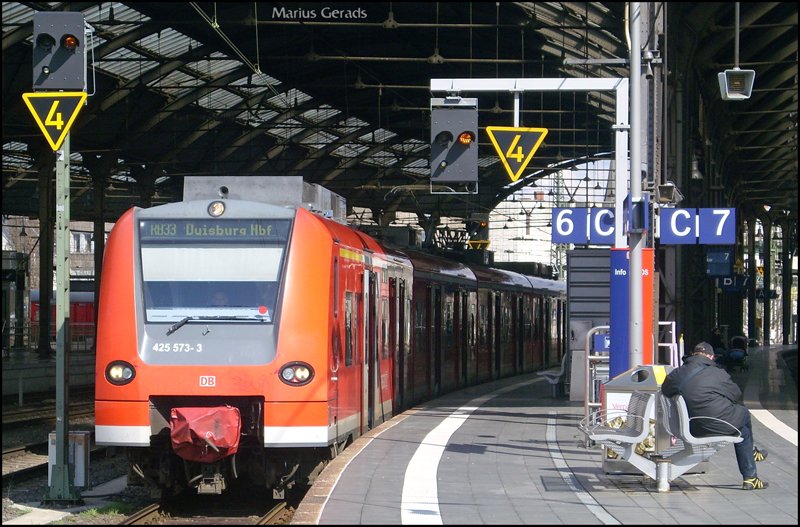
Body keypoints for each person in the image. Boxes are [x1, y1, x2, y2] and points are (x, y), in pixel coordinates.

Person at [661, 341, 768, 490]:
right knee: (743, 415)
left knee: (740, 421)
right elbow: (736, 395)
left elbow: (665, 390)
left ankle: (751, 453)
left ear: (693, 355)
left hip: (688, 427)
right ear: (711, 357)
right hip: (714, 427)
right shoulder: (718, 374)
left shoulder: (678, 373)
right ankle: (750, 476)